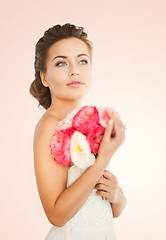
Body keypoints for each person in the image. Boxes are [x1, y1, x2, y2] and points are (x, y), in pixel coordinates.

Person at [29, 23, 127, 240]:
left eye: (82, 61)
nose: (75, 70)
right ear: (44, 77)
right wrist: (103, 159)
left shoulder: (93, 121)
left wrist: (118, 196)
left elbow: (107, 207)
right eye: (62, 63)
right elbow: (57, 215)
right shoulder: (49, 126)